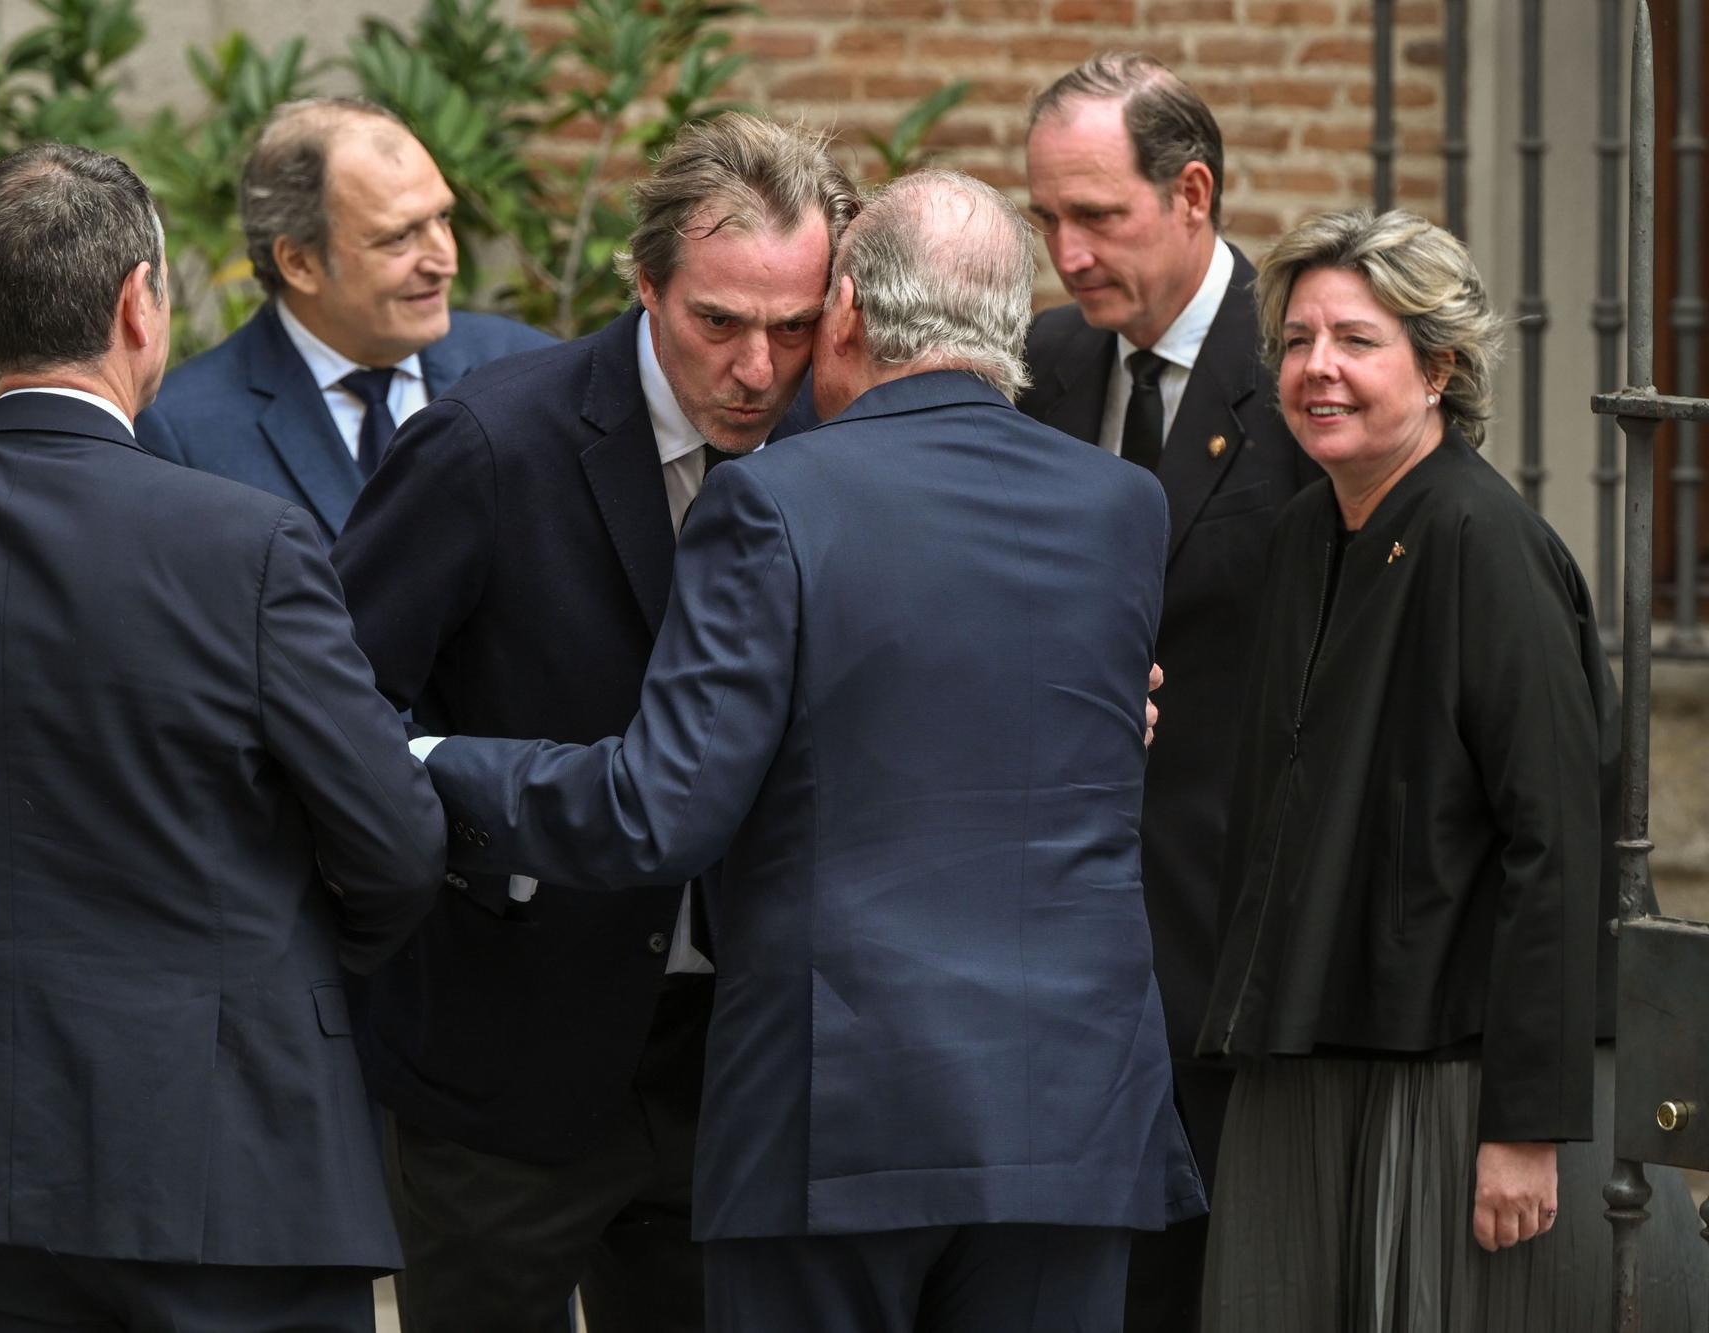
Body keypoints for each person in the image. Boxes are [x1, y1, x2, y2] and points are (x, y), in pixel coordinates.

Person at [413, 168, 1204, 1333]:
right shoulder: (1121, 505)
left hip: (843, 1109)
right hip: (1072, 1110)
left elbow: (659, 811)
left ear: (845, 314)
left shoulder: (776, 501)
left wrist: (434, 759)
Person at [0, 143, 447, 1330]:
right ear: (138, 303)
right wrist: (285, 973)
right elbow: (395, 842)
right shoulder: (247, 548)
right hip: (240, 1161)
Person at [327, 112, 850, 1333]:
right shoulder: (487, 444)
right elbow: (333, 706)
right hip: (502, 1058)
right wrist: (457, 867)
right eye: (717, 322)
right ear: (646, 285)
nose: (758, 370)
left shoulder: (836, 445)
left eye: (792, 326)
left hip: (745, 1060)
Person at [1196, 208, 1707, 1330]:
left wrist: (1524, 1127)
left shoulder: (1488, 545)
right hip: (1316, 1056)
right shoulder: (1298, 537)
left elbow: (1557, 842)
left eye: (1355, 340)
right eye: (1294, 340)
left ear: (1437, 368)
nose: (1315, 367)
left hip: (1459, 1083)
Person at [1016, 53, 1318, 1332]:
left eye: (1097, 217)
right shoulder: (1039, 363)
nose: (1066, 252)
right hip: (1053, 935)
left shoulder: (1306, 371)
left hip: (1226, 946)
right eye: (1045, 219)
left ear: (1191, 193)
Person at [138, 98, 552, 539]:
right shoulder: (180, 433)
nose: (445, 259)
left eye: (443, 217)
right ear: (299, 262)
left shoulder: (529, 370)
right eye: (399, 236)